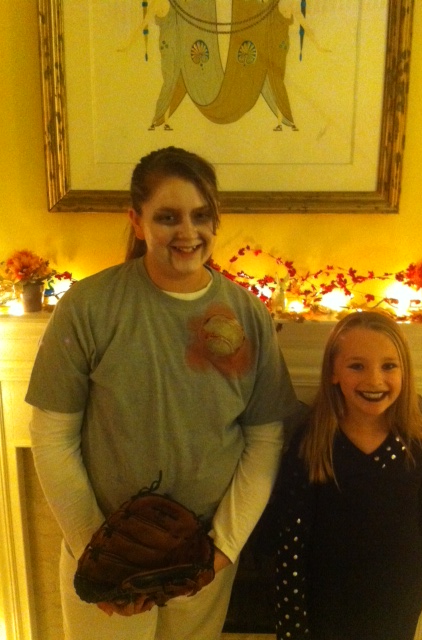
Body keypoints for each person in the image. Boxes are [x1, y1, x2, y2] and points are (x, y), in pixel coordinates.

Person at [25, 146, 299, 640]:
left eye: (201, 216)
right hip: (101, 555)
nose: (188, 232)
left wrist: (221, 551)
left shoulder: (248, 316)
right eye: (168, 217)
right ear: (137, 221)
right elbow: (51, 435)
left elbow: (264, 440)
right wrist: (97, 554)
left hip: (202, 566)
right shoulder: (88, 307)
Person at [271, 310, 422, 640]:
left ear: (405, 371)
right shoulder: (311, 443)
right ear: (334, 372)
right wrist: (291, 630)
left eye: (389, 366)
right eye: (357, 366)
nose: (374, 380)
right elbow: (290, 543)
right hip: (325, 604)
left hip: (396, 605)